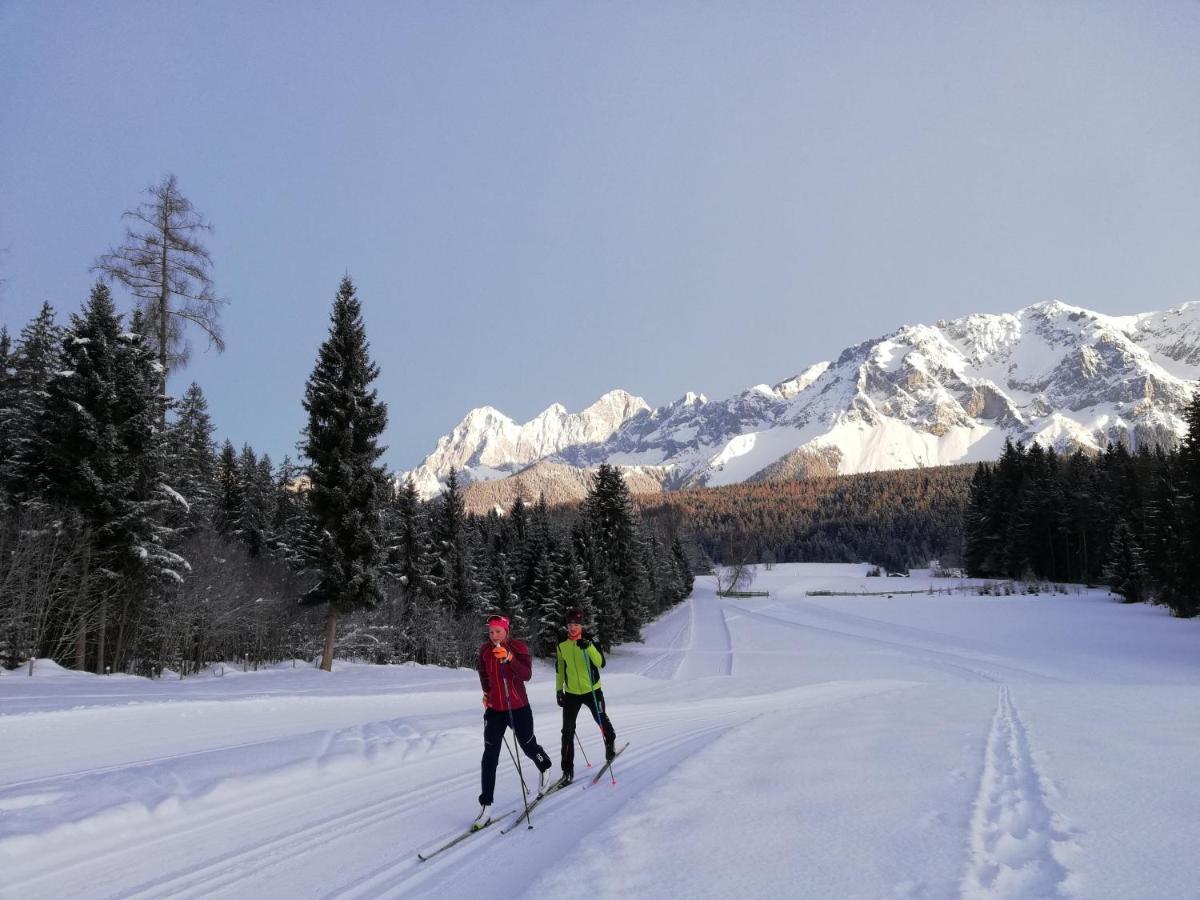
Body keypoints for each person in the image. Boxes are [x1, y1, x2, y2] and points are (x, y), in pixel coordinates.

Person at [477, 614, 552, 817]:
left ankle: (544, 765)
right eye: (491, 632)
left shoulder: (518, 647)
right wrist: (486, 693)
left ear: (507, 631)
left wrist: (509, 658)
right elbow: (483, 673)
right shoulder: (485, 650)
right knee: (489, 756)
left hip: (518, 707)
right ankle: (486, 805)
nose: (494, 635)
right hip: (495, 710)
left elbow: (526, 674)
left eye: (498, 631)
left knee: (528, 746)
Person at [554, 607, 617, 787]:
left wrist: (588, 647)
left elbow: (601, 663)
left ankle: (610, 740)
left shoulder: (590, 639)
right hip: (572, 693)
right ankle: (567, 770)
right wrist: (559, 690)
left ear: (582, 625)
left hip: (592, 690)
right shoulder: (561, 642)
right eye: (570, 624)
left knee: (601, 719)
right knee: (567, 731)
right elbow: (560, 667)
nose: (573, 628)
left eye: (576, 624)